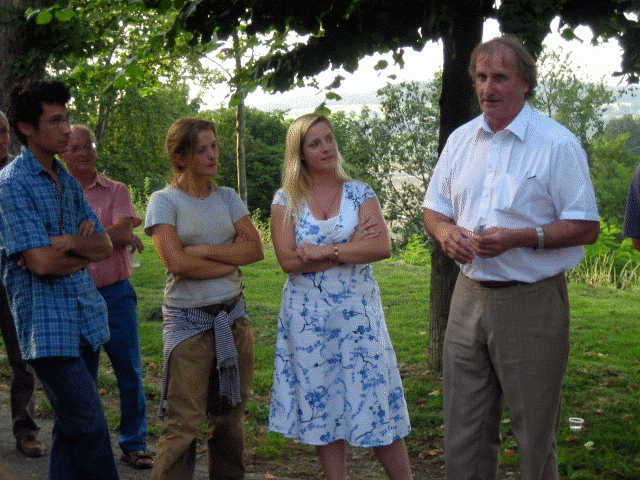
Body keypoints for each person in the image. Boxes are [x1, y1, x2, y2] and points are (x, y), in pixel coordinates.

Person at [422, 34, 600, 480]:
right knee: (463, 429)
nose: (488, 88)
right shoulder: (462, 140)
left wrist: (521, 237)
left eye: (499, 77)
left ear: (526, 83)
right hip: (466, 298)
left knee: (534, 434)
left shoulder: (557, 144)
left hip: (531, 301)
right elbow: (434, 208)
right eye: (481, 77)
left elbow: (586, 226)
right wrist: (445, 233)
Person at [269, 113, 413, 480]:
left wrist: (324, 251)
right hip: (307, 320)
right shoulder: (286, 200)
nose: (326, 148)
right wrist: (350, 247)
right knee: (322, 403)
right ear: (299, 153)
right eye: (315, 143)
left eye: (329, 139)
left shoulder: (359, 192)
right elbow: (287, 260)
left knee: (375, 399)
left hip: (358, 317)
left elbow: (380, 246)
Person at [0, 80, 119, 480]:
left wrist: (68, 244)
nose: (68, 129)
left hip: (85, 321)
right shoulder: (11, 185)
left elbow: (103, 245)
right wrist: (76, 253)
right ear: (26, 128)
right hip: (47, 330)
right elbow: (39, 263)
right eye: (56, 120)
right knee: (90, 428)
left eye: (67, 118)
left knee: (71, 433)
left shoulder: (66, 180)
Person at [145, 117, 263, 480]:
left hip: (233, 321)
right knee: (183, 423)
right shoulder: (164, 201)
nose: (213, 155)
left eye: (214, 147)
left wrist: (208, 250)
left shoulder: (228, 197)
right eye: (202, 150)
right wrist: (228, 262)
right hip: (189, 326)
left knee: (230, 421)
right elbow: (176, 262)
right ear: (180, 157)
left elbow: (255, 249)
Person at [59, 125, 152, 469]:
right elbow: (52, 241)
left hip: (115, 294)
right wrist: (101, 239)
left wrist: (77, 242)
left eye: (89, 145)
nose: (84, 152)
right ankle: (89, 444)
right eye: (75, 147)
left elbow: (123, 230)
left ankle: (134, 441)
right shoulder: (57, 192)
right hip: (74, 296)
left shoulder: (117, 190)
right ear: (62, 154)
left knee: (129, 371)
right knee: (83, 377)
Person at [0, 110, 45, 458]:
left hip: (13, 281)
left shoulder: (20, 174)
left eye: (2, 131)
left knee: (22, 360)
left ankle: (26, 429)